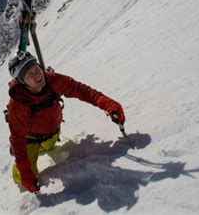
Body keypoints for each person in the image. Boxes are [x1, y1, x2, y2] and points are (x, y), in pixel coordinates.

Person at [7, 51, 125, 193]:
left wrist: (108, 104)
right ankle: (19, 172)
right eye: (29, 74)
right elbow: (17, 140)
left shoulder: (53, 80)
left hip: (52, 134)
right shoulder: (18, 104)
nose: (37, 74)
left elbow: (81, 90)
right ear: (21, 81)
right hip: (30, 139)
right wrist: (26, 174)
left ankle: (43, 147)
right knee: (23, 174)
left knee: (49, 147)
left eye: (36, 68)